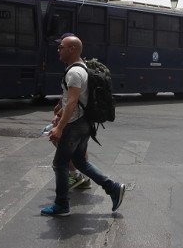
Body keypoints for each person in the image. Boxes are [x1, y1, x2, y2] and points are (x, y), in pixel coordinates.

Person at [41, 34, 125, 216]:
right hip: (84, 123)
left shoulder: (74, 73)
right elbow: (73, 100)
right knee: (79, 161)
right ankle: (113, 188)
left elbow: (72, 103)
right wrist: (60, 112)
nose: (58, 50)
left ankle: (62, 205)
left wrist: (59, 127)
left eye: (61, 47)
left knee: (60, 164)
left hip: (73, 126)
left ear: (72, 49)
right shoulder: (81, 68)